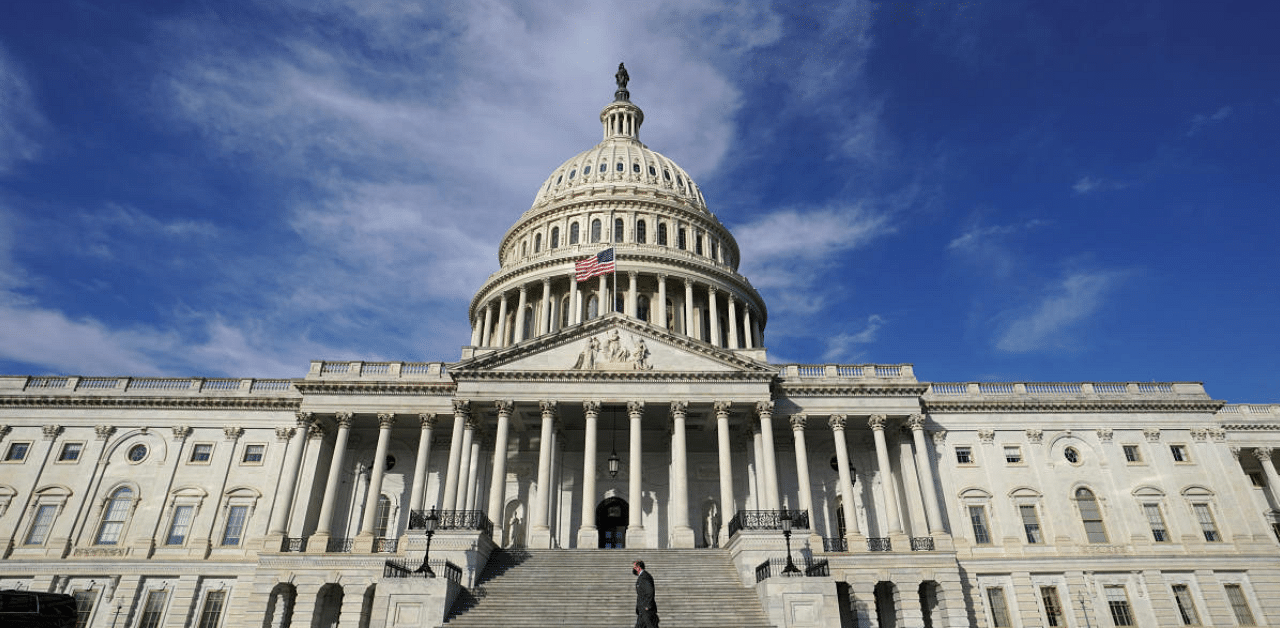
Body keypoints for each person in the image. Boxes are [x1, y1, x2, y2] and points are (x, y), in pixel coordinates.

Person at [633, 560, 659, 627]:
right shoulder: (641, 577)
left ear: (638, 567)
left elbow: (650, 592)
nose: (633, 569)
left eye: (634, 567)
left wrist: (647, 606)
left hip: (646, 610)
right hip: (642, 610)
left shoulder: (645, 577)